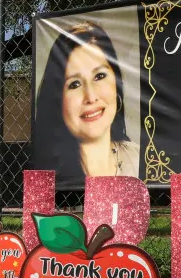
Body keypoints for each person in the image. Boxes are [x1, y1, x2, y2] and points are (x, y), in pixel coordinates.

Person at [33, 20, 140, 196]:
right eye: (74, 84)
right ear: (57, 99)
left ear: (116, 83)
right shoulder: (50, 172)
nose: (91, 97)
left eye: (99, 76)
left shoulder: (141, 158)